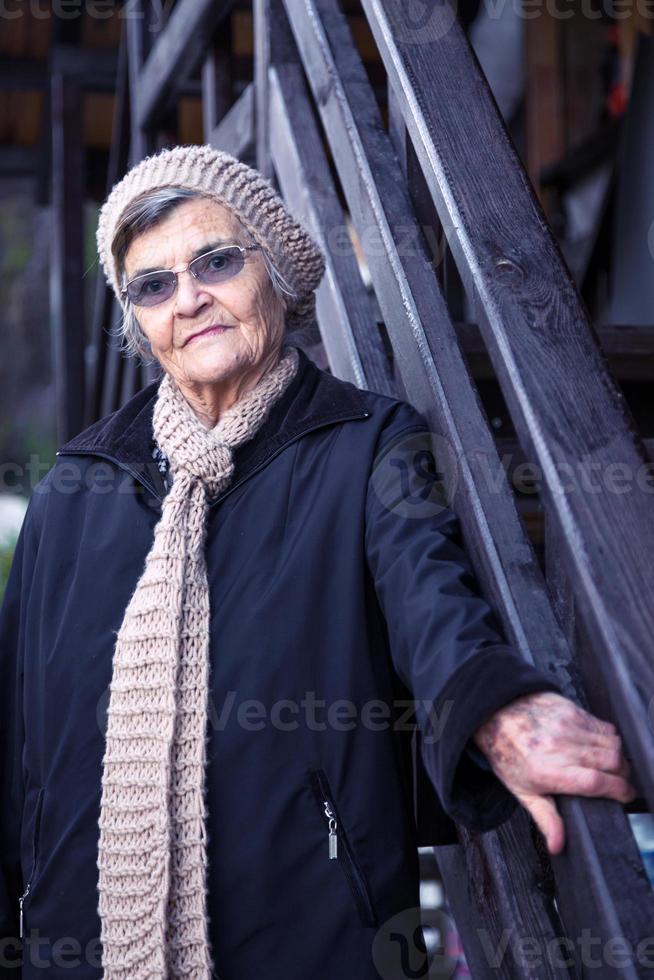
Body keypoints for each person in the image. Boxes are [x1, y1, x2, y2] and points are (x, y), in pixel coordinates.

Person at [0, 144, 634, 979]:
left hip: (311, 936)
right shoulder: (76, 489)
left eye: (216, 261)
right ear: (138, 320)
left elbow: (431, 602)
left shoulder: (368, 445)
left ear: (277, 274)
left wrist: (495, 709)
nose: (188, 300)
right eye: (153, 285)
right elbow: (17, 730)